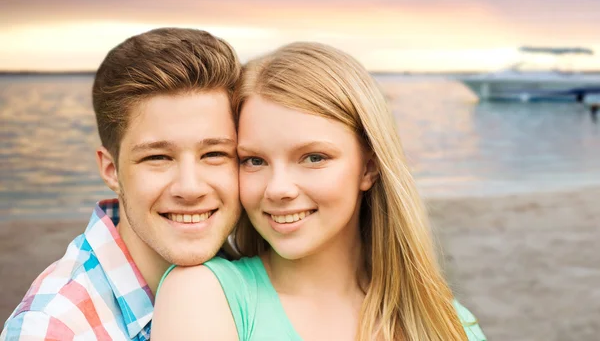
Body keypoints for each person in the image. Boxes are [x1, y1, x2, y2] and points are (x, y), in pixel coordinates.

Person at [152, 42, 486, 340]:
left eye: (314, 157)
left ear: (368, 167)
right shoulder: (204, 294)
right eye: (254, 160)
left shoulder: (448, 321)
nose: (278, 189)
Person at [1, 28, 242, 340]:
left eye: (214, 154)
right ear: (111, 169)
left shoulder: (252, 279)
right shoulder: (53, 328)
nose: (190, 187)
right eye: (158, 157)